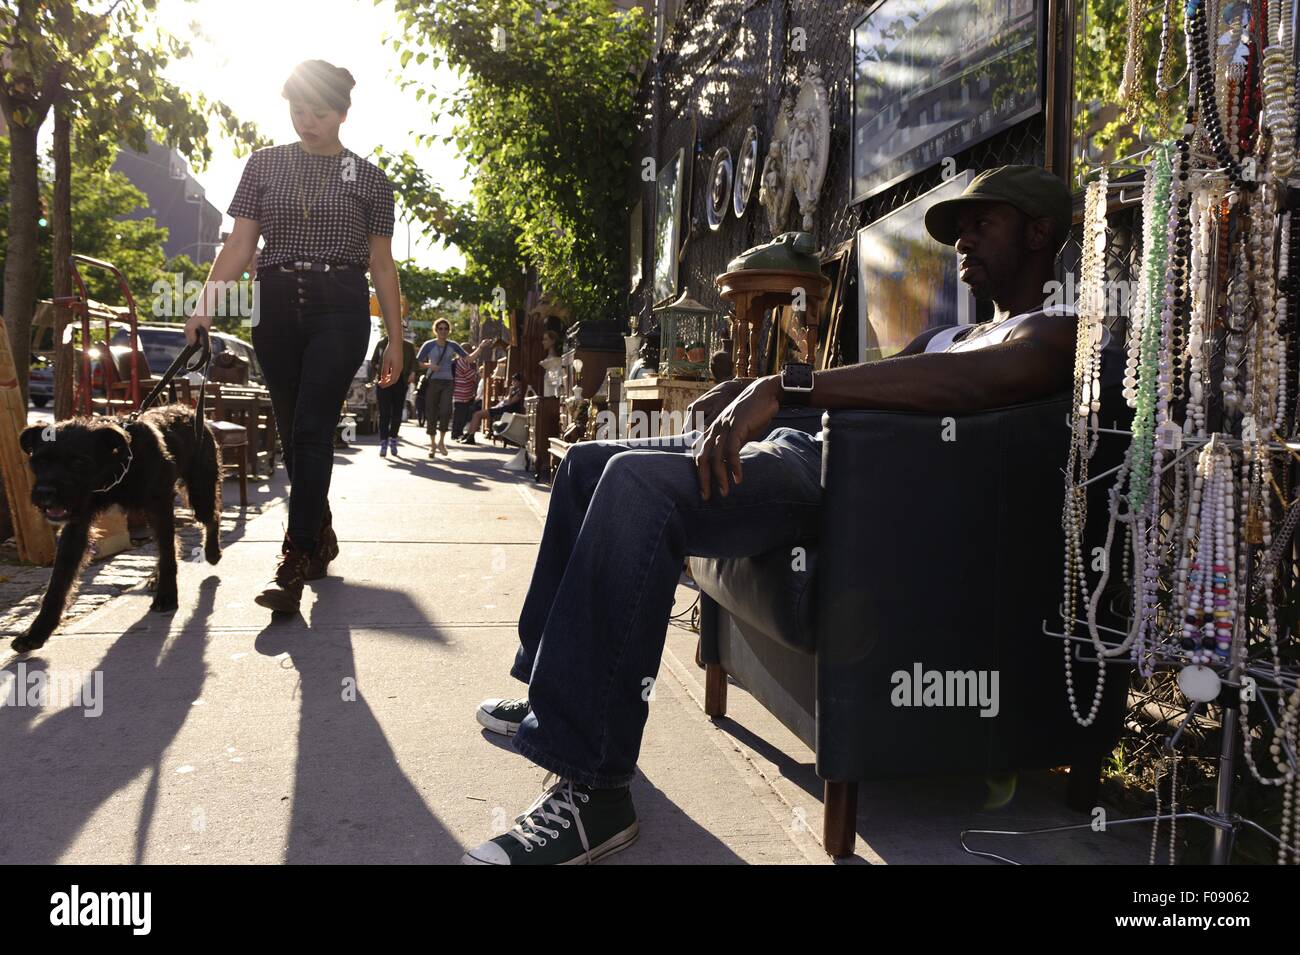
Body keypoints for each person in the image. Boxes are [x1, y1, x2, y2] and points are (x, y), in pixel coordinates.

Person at [463, 165, 1123, 864]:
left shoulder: (1058, 333)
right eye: (958, 226)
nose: (962, 238)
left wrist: (782, 386)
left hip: (844, 480)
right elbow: (879, 382)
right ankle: (553, 694)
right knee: (586, 463)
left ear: (1039, 232)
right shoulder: (953, 334)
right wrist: (753, 391)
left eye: (981, 222)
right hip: (805, 445)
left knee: (635, 485)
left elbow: (966, 384)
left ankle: (594, 789)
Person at [186, 59, 402, 615]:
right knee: (294, 435)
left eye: (319, 113)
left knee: (310, 428)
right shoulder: (264, 166)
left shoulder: (370, 179)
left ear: (344, 114)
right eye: (297, 110)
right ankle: (322, 531)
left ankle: (295, 558)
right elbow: (238, 245)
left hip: (342, 307)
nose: (306, 121)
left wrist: (396, 340)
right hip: (275, 306)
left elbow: (381, 264)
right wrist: (204, 307)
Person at [417, 319, 468, 458]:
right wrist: (430, 366)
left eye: (445, 328)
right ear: (436, 330)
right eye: (440, 328)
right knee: (431, 412)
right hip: (432, 381)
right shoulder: (429, 345)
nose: (443, 330)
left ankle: (441, 442)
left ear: (448, 330)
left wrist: (481, 348)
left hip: (448, 382)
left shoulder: (453, 345)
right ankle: (432, 445)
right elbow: (417, 362)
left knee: (446, 411)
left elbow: (468, 359)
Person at [369, 329, 417, 457]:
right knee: (384, 413)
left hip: (400, 382)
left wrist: (412, 373)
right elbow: (374, 361)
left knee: (397, 413)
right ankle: (383, 442)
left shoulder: (408, 346)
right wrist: (375, 373)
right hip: (384, 382)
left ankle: (393, 439)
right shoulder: (382, 343)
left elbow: (414, 363)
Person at [462, 371, 525, 444]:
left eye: (515, 381)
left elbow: (510, 402)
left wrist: (510, 394)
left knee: (477, 414)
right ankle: (468, 435)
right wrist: (508, 395)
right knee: (475, 414)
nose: (512, 382)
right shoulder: (515, 390)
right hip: (501, 408)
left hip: (505, 411)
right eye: (513, 380)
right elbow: (506, 400)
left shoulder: (519, 392)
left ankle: (471, 437)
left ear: (519, 382)